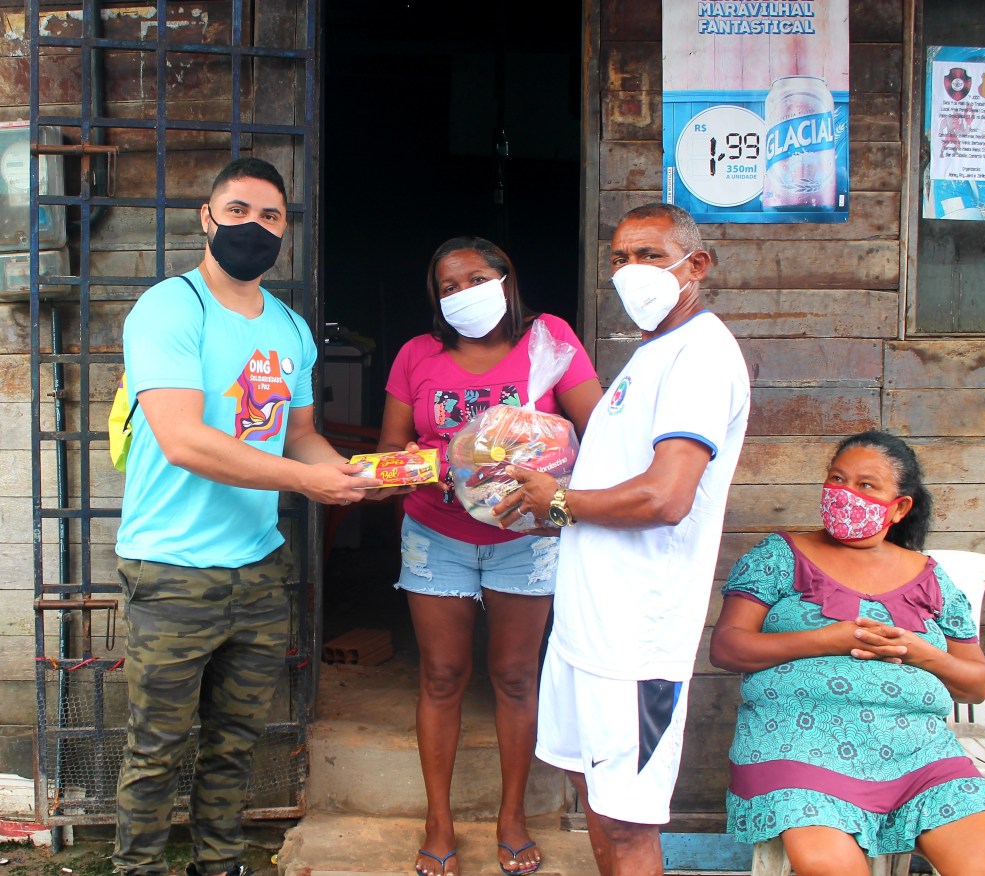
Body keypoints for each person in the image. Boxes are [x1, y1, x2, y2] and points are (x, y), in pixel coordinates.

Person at [112, 157, 379, 876]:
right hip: (172, 569)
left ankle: (220, 862)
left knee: (235, 742)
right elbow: (183, 439)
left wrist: (345, 474)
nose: (253, 227)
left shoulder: (290, 328)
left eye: (270, 216)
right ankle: (138, 867)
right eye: (238, 211)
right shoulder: (171, 308)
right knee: (157, 747)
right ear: (207, 217)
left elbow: (300, 435)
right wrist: (306, 482)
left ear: (285, 230)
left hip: (258, 566)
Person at [495, 203, 751, 876]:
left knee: (627, 820)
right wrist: (545, 488)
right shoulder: (652, 354)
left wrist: (559, 501)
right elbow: (615, 478)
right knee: (595, 795)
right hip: (591, 629)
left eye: (649, 255)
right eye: (619, 258)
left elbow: (667, 497)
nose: (631, 270)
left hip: (639, 645)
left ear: (696, 265)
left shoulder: (701, 356)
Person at [376, 235, 603, 876]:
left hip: (526, 539)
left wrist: (550, 464)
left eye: (475, 279)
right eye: (447, 287)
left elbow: (600, 431)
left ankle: (512, 818)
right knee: (442, 676)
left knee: (515, 677)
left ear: (506, 280)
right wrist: (428, 465)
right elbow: (392, 453)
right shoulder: (417, 355)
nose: (462, 294)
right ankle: (438, 822)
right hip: (435, 533)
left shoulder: (549, 341)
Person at [709, 430, 985, 876]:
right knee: (828, 865)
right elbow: (727, 647)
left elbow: (975, 685)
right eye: (837, 479)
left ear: (899, 507)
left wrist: (921, 653)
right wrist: (829, 639)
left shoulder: (931, 579)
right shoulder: (780, 556)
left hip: (917, 753)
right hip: (798, 745)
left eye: (866, 485)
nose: (845, 493)